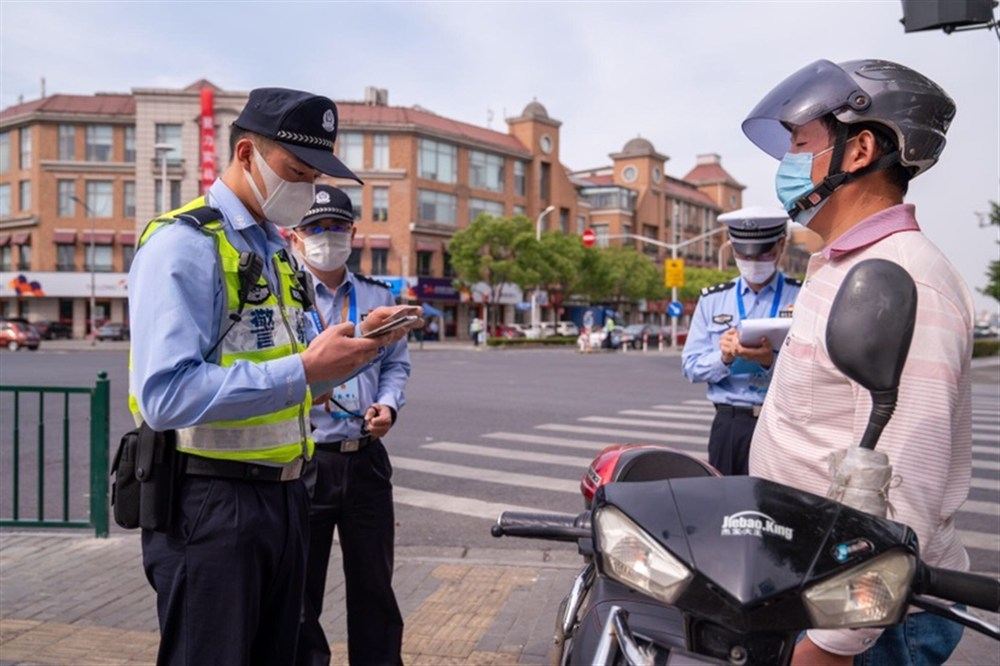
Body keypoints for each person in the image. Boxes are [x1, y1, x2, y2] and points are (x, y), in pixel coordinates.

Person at [129, 88, 415, 666]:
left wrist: (353, 351)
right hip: (210, 501)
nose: (306, 189)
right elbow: (163, 395)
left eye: (315, 176)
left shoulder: (275, 254)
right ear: (244, 155)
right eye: (296, 171)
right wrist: (305, 368)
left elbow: (294, 379)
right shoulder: (185, 245)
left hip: (285, 496)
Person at [742, 59, 972, 665]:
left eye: (799, 145)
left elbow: (908, 489)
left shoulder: (905, 277)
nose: (785, 166)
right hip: (813, 582)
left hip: (870, 623)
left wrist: (834, 645)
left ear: (859, 147)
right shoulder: (838, 264)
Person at [289, 186, 413, 666]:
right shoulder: (283, 296)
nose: (327, 237)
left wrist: (388, 406)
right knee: (300, 592)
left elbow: (396, 366)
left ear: (354, 234)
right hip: (306, 460)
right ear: (296, 237)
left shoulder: (377, 298)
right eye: (316, 228)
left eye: (337, 227)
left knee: (375, 587)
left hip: (365, 459)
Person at [681, 207, 801, 475]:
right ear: (732, 249)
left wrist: (771, 361)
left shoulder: (802, 296)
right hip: (730, 424)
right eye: (743, 254)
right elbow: (690, 366)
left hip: (780, 421)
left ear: (781, 245)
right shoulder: (713, 300)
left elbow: (816, 370)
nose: (753, 261)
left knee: (773, 507)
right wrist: (723, 357)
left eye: (763, 253)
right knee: (725, 507)